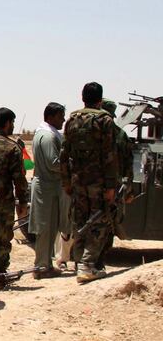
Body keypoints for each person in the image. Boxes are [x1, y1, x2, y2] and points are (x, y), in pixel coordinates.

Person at [60, 82, 118, 284]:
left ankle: (79, 262)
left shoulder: (72, 120)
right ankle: (87, 265)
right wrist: (111, 186)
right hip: (98, 182)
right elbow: (109, 155)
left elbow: (64, 153)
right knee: (100, 220)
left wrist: (66, 180)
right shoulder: (105, 120)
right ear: (100, 99)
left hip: (77, 181)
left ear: (82, 97)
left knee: (80, 219)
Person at [0, 107, 29, 274]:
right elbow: (19, 179)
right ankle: (0, 272)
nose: (13, 126)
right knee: (2, 239)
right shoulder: (12, 147)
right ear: (7, 123)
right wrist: (22, 202)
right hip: (3, 203)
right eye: (12, 122)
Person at [28, 103, 70, 277]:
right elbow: (53, 163)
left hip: (49, 188)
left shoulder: (46, 133)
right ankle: (42, 267)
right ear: (51, 117)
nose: (63, 120)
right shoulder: (48, 136)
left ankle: (46, 264)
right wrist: (71, 165)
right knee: (45, 228)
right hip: (46, 188)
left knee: (50, 227)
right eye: (61, 116)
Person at [95, 99, 135, 272]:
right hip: (113, 188)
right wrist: (129, 188)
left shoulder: (92, 133)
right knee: (108, 224)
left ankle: (86, 261)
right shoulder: (120, 135)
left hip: (90, 186)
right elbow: (128, 165)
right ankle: (98, 261)